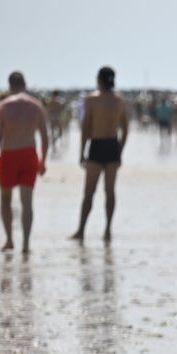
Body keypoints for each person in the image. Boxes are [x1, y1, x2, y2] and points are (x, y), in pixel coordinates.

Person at [0, 71, 50, 254]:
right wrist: (43, 160)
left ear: (9, 85)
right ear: (25, 83)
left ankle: (9, 240)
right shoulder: (36, 106)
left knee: (6, 199)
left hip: (9, 154)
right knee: (27, 202)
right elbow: (45, 138)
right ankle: (25, 244)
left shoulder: (2, 106)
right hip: (29, 153)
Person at [72, 66, 129, 244]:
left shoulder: (91, 100)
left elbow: (86, 128)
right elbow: (125, 129)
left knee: (89, 191)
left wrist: (82, 152)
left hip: (96, 145)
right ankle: (107, 230)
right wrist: (120, 150)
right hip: (112, 144)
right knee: (109, 190)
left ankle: (81, 230)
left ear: (99, 79)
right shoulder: (120, 101)